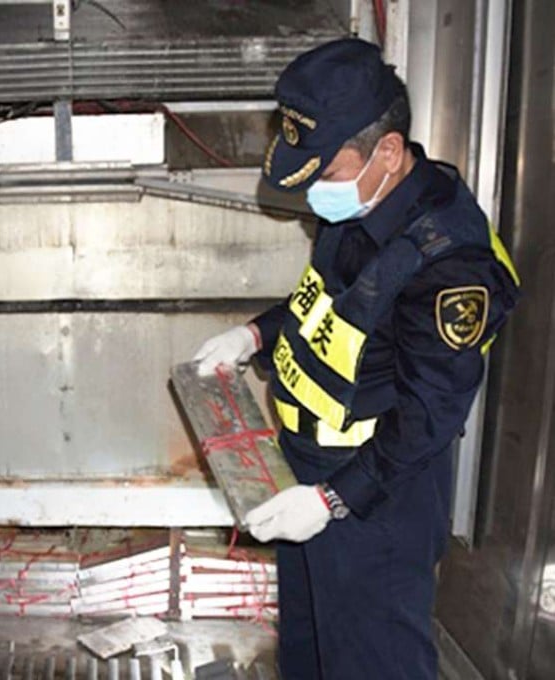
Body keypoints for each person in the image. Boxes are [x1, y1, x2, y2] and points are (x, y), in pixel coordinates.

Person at [192, 38, 520, 679]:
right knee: (312, 655)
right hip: (311, 473)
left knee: (373, 663)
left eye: (326, 173)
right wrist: (255, 336)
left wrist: (333, 501)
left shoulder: (450, 262)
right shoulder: (365, 197)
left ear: (388, 152)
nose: (316, 190)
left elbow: (428, 417)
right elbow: (333, 306)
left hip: (376, 499)